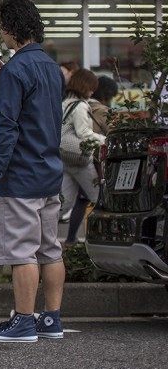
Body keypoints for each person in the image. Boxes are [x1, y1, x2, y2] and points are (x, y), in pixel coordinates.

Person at [0, 0, 66, 343]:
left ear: (12, 28)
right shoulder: (50, 66)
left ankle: (24, 322)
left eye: (2, 27)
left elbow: (8, 126)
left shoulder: (15, 69)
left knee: (21, 252)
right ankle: (51, 320)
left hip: (21, 175)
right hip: (49, 171)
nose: (2, 34)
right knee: (50, 250)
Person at [60, 70, 107, 243]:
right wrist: (104, 141)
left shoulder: (66, 102)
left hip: (65, 157)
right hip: (79, 159)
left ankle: (39, 233)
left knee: (63, 202)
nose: (92, 92)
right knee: (98, 198)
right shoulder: (79, 106)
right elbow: (84, 133)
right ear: (86, 86)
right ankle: (101, 238)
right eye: (91, 88)